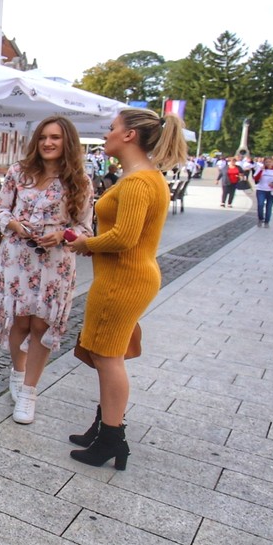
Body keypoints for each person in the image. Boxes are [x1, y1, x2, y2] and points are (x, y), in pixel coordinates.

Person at [67, 109, 188, 470]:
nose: (106, 135)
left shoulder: (137, 182)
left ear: (130, 135)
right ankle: (105, 427)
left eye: (112, 129)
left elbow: (123, 238)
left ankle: (111, 437)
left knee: (108, 357)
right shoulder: (146, 178)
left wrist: (85, 244)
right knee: (110, 354)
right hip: (131, 275)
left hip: (124, 278)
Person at [0, 116, 94, 424]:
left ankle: (30, 391)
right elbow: (0, 209)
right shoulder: (19, 172)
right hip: (18, 257)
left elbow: (85, 228)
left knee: (41, 325)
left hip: (54, 262)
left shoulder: (80, 181)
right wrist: (14, 224)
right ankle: (18, 374)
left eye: (55, 137)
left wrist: (62, 235)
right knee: (19, 320)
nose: (48, 142)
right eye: (44, 137)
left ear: (67, 141)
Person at [252, 156, 273, 227]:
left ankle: (267, 221)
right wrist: (261, 170)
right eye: (266, 162)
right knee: (260, 205)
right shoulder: (261, 169)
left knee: (269, 206)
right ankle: (260, 219)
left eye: (270, 162)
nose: (268, 163)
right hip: (261, 189)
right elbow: (256, 178)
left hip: (272, 191)